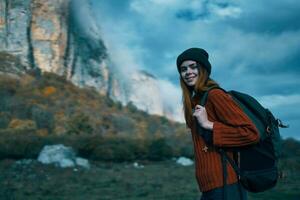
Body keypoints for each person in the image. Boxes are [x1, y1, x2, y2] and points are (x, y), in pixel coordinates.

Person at [176, 47, 260, 200]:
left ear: (204, 69)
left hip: (226, 185)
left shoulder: (215, 95)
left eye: (193, 66)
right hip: (211, 187)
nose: (188, 72)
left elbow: (251, 133)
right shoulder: (196, 101)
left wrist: (209, 124)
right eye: (183, 69)